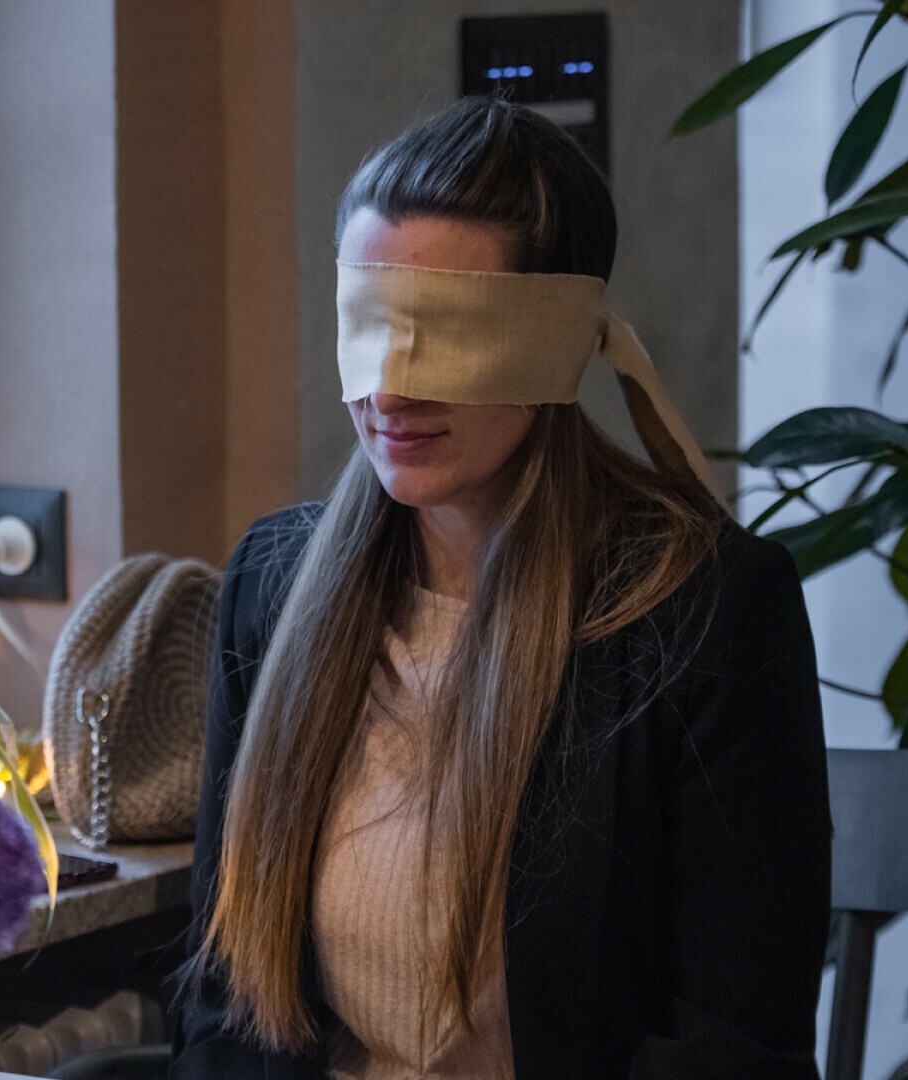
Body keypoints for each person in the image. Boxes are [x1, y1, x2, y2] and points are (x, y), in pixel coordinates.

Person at [171, 96, 831, 1080]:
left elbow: (731, 1043)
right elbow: (223, 1002)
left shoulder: (703, 611)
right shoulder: (272, 588)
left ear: (552, 342)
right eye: (370, 325)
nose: (389, 391)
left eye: (446, 334)